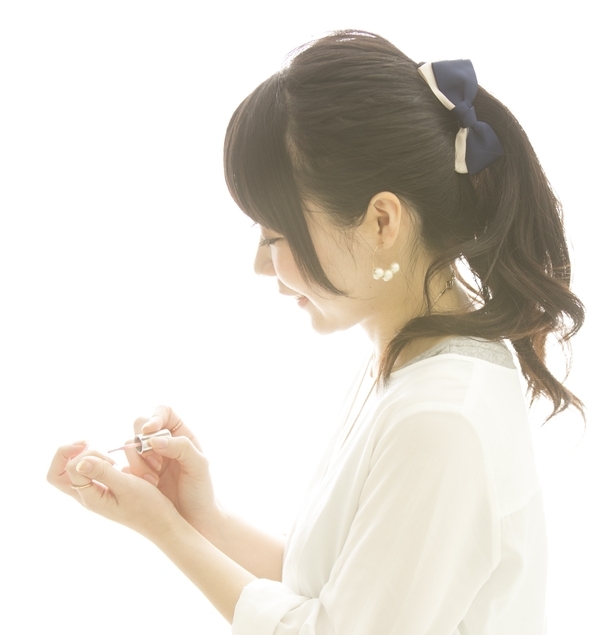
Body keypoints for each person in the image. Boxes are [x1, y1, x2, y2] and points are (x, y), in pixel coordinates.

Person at [48, 30, 584, 634]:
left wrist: (165, 530)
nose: (261, 265)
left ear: (382, 221)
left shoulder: (442, 416)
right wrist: (200, 516)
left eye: (275, 236)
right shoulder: (411, 370)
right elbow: (337, 594)